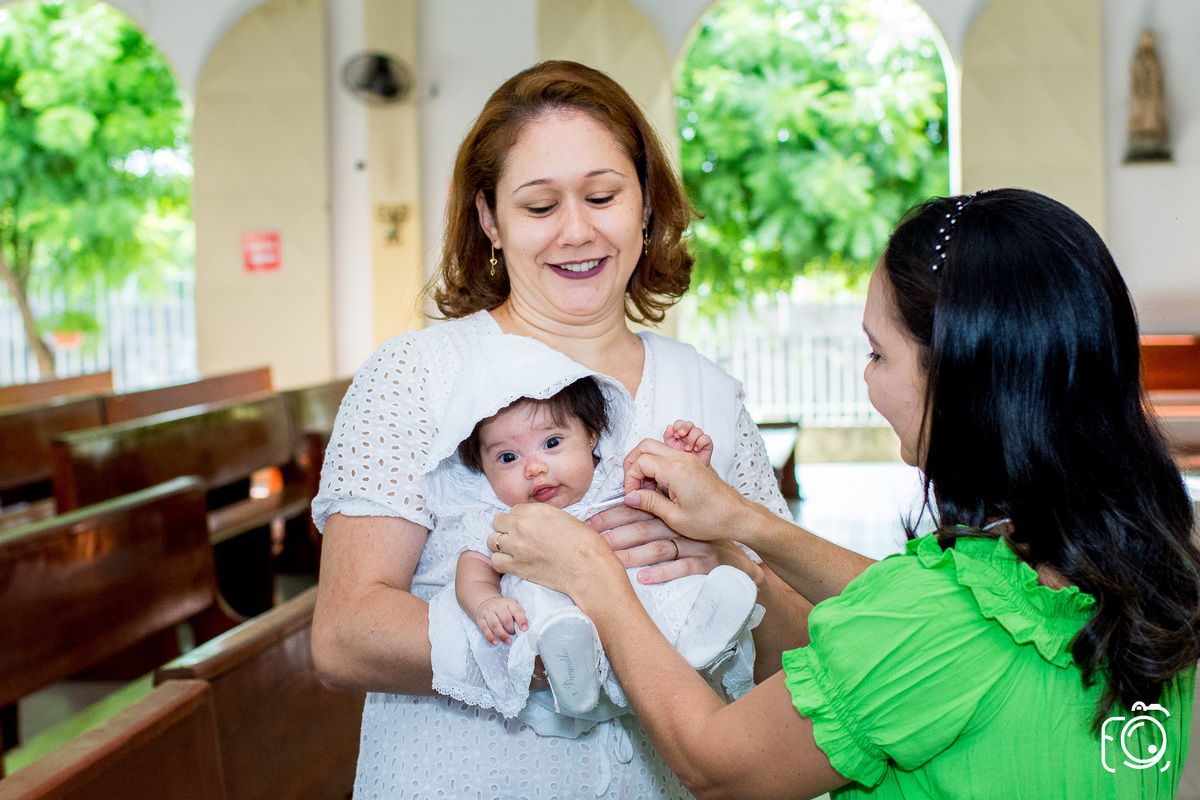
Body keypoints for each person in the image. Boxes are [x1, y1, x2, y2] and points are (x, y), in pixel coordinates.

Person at [491, 188, 1200, 798]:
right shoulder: (1144, 569)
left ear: (958, 379)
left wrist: (594, 575)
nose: (868, 379)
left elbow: (715, 764)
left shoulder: (933, 622)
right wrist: (740, 538)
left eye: (877, 353)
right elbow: (907, 612)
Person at [310, 60, 827, 798]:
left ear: (645, 204)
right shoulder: (416, 375)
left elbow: (799, 653)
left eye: (602, 196)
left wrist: (731, 568)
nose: (577, 231)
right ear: (490, 218)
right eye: (539, 205)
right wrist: (573, 647)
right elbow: (345, 635)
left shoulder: (706, 392)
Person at [424, 333, 761, 731]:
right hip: (559, 621)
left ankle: (701, 632)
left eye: (552, 442)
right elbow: (473, 566)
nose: (534, 468)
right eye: (508, 457)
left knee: (673, 582)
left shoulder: (616, 482)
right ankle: (573, 673)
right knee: (551, 626)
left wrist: (684, 465)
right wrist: (484, 602)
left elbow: (673, 507)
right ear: (482, 467)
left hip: (644, 613)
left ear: (591, 435)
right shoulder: (497, 517)